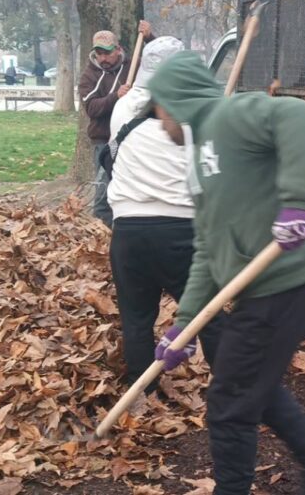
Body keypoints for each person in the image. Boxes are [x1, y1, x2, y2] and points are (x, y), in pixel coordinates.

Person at [147, 52, 305, 495]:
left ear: (176, 100)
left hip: (286, 285)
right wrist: (183, 324)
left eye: (157, 107)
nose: (156, 119)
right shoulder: (201, 154)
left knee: (228, 404)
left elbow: (302, 116)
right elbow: (209, 248)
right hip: (267, 293)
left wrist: (298, 200)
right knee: (249, 384)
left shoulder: (230, 116)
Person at [104, 36, 190, 393]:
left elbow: (114, 157)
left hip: (129, 231)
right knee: (206, 314)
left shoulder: (124, 109)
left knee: (137, 318)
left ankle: (142, 394)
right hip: (182, 231)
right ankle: (233, 387)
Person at [78, 28, 138, 226]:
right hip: (104, 141)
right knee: (104, 188)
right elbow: (92, 108)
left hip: (130, 138)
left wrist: (149, 36)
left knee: (131, 185)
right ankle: (101, 231)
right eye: (99, 53)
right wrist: (116, 96)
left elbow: (158, 62)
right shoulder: (89, 75)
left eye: (107, 52)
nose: (103, 58)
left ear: (118, 50)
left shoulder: (132, 67)